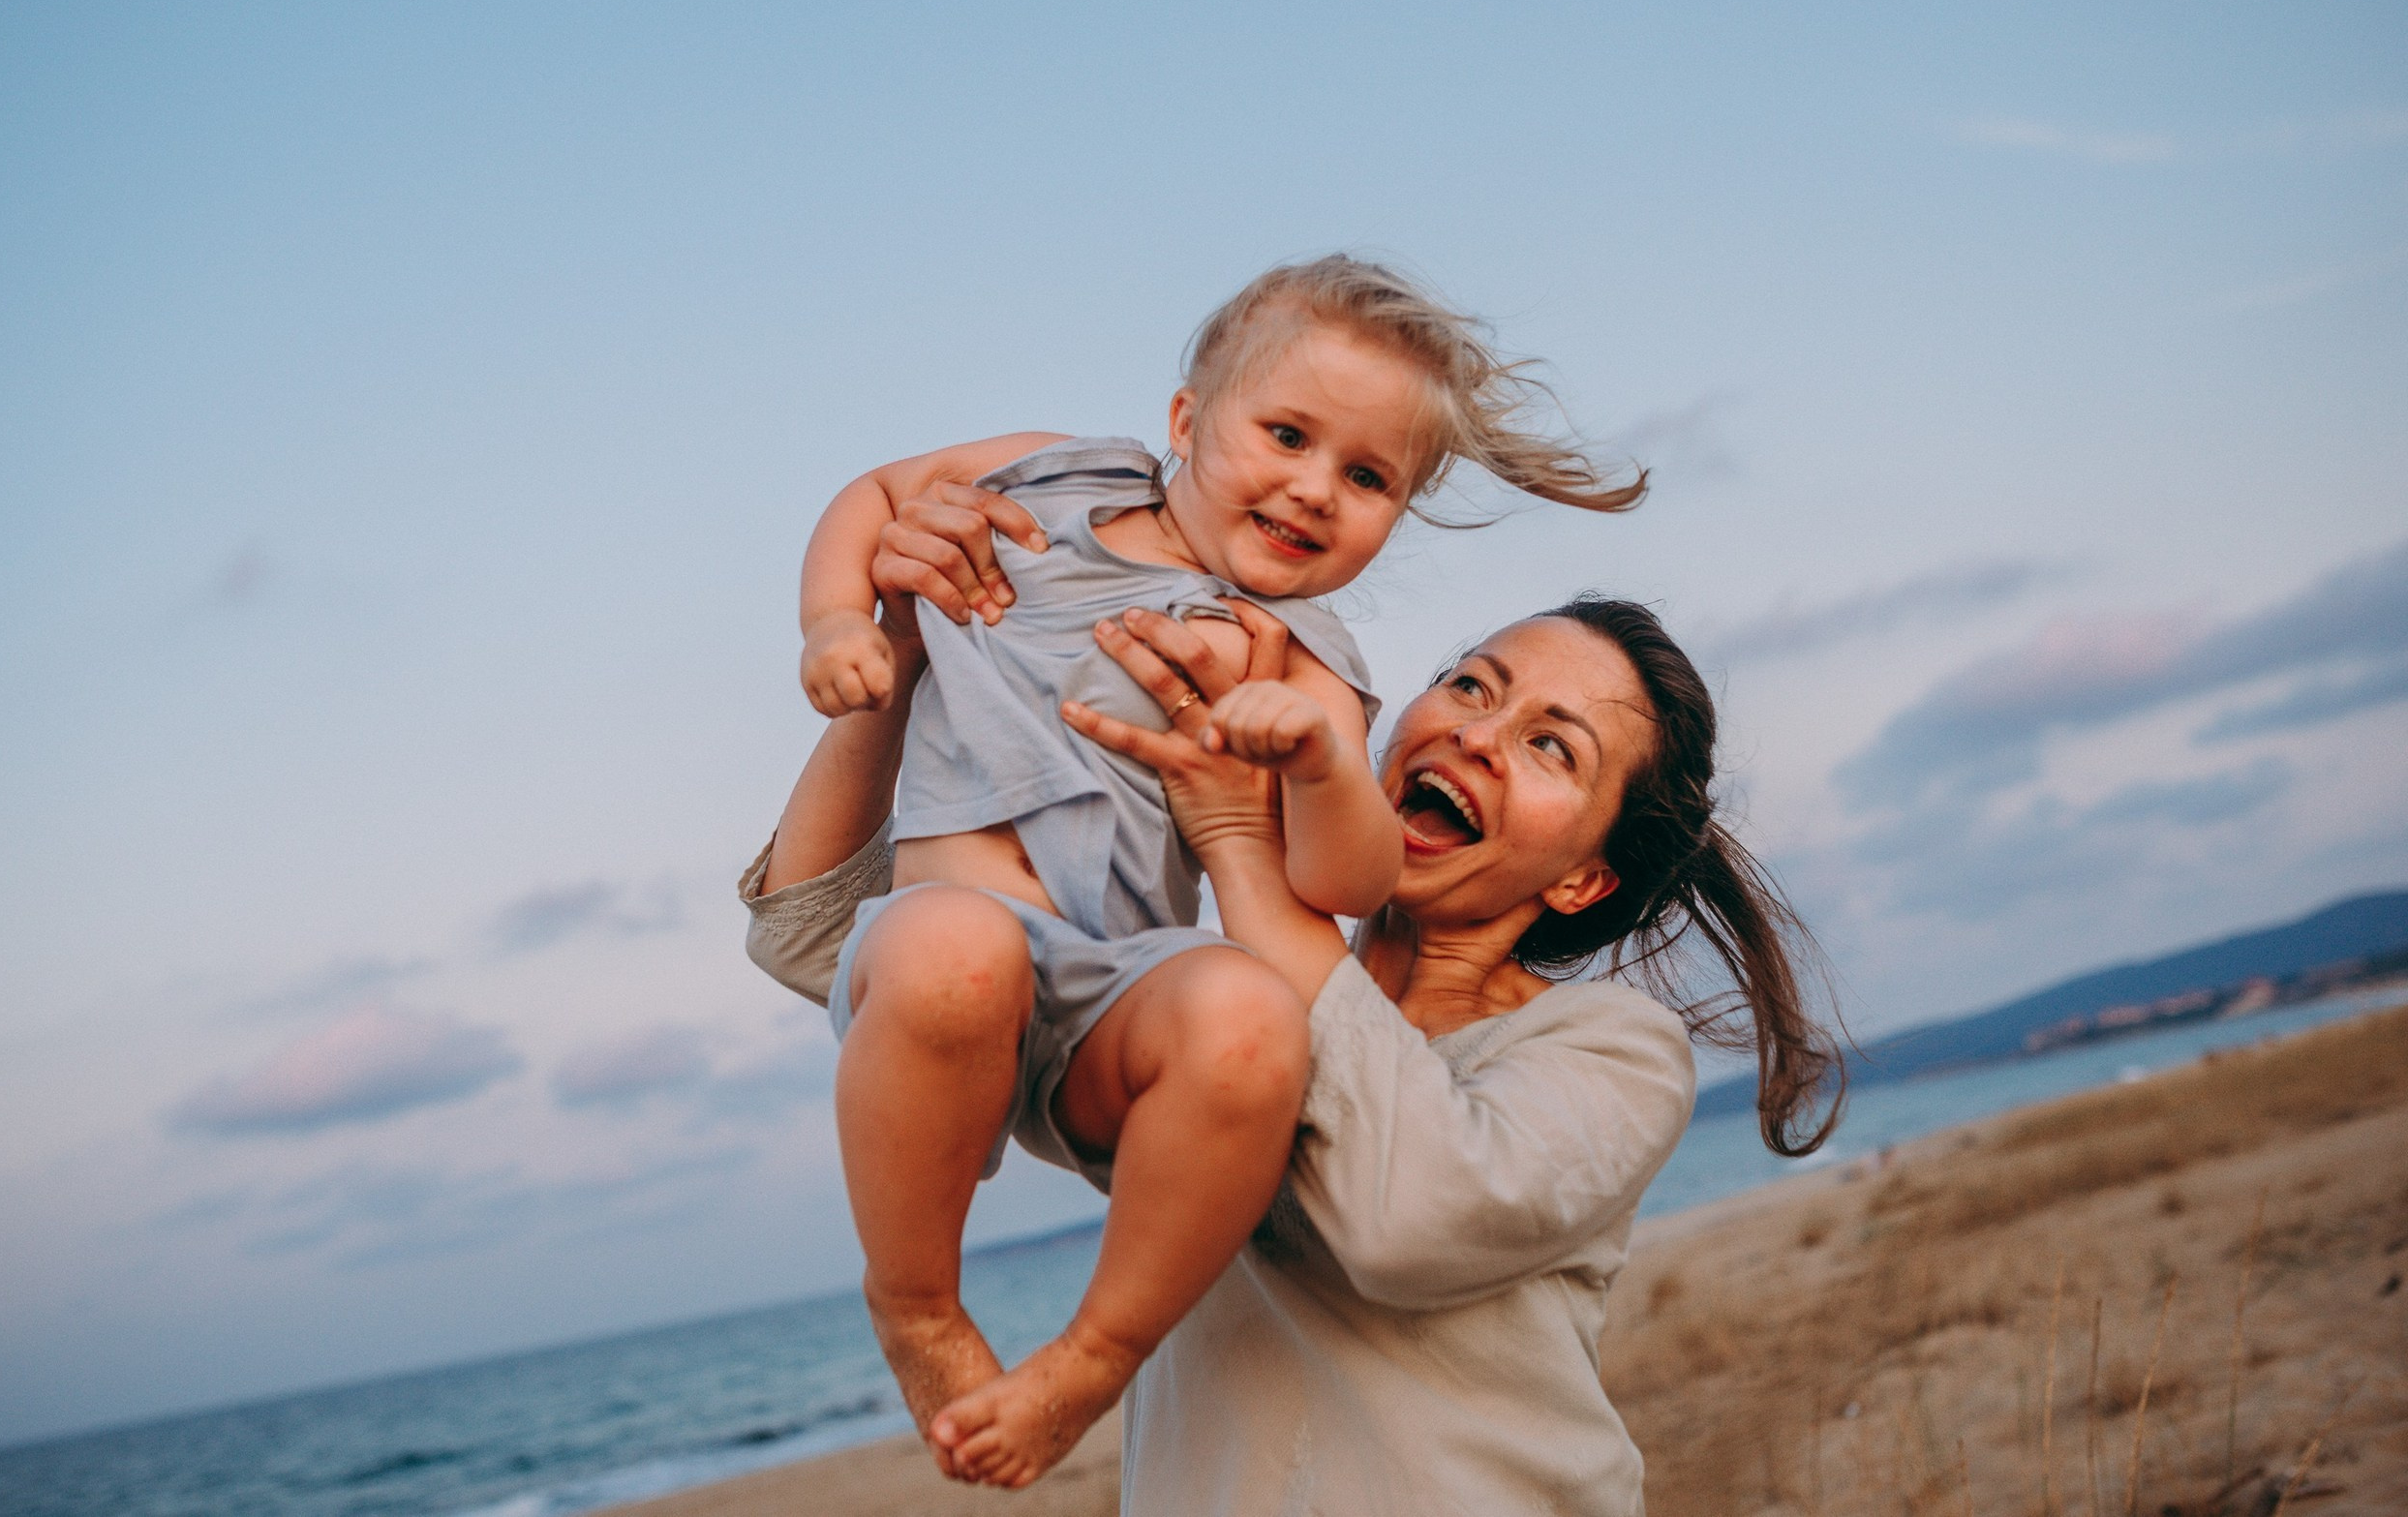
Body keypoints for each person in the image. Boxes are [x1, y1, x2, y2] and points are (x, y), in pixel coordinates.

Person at [742, 493, 1842, 1512]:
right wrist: (904, 646)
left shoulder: (1613, 1048)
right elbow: (832, 942)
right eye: (1471, 684)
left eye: (1551, 746)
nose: (1475, 734)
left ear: (1582, 879)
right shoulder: (1212, 1007)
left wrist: (1238, 846)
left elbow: (1405, 1217)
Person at [785, 256, 1641, 1482]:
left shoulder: (1305, 657)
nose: (1311, 488)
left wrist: (1317, 768)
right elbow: (873, 493)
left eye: (1364, 476)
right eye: (1285, 433)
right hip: (948, 942)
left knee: (1245, 1014)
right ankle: (917, 1303)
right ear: (1187, 420)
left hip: (1117, 999)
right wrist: (834, 622)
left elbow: (1352, 877)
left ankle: (1093, 1352)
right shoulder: (1059, 476)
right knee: (955, 948)